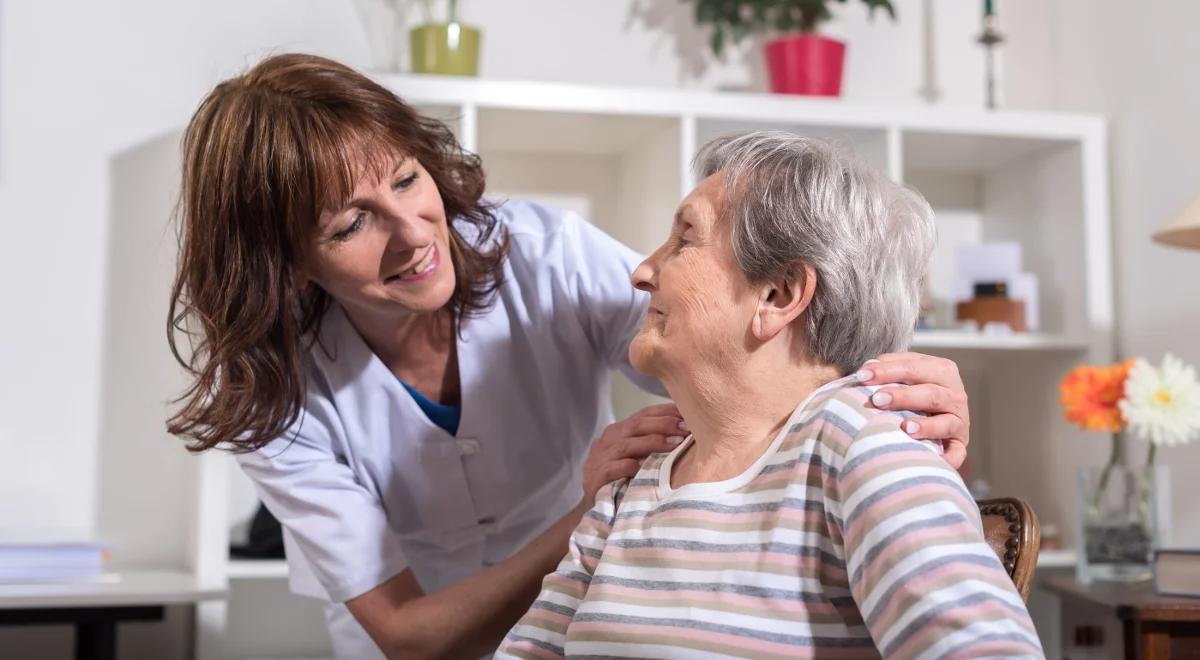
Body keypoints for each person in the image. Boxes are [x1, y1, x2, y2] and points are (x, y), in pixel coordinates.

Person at [167, 53, 975, 659]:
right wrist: (593, 512)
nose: (417, 233)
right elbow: (409, 635)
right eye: (350, 225)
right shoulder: (275, 399)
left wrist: (892, 385)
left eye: (408, 180)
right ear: (285, 263)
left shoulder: (543, 255)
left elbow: (742, 348)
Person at [498, 133, 1043, 658]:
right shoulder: (637, 477)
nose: (641, 272)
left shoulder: (862, 449)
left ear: (778, 295)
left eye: (685, 238)